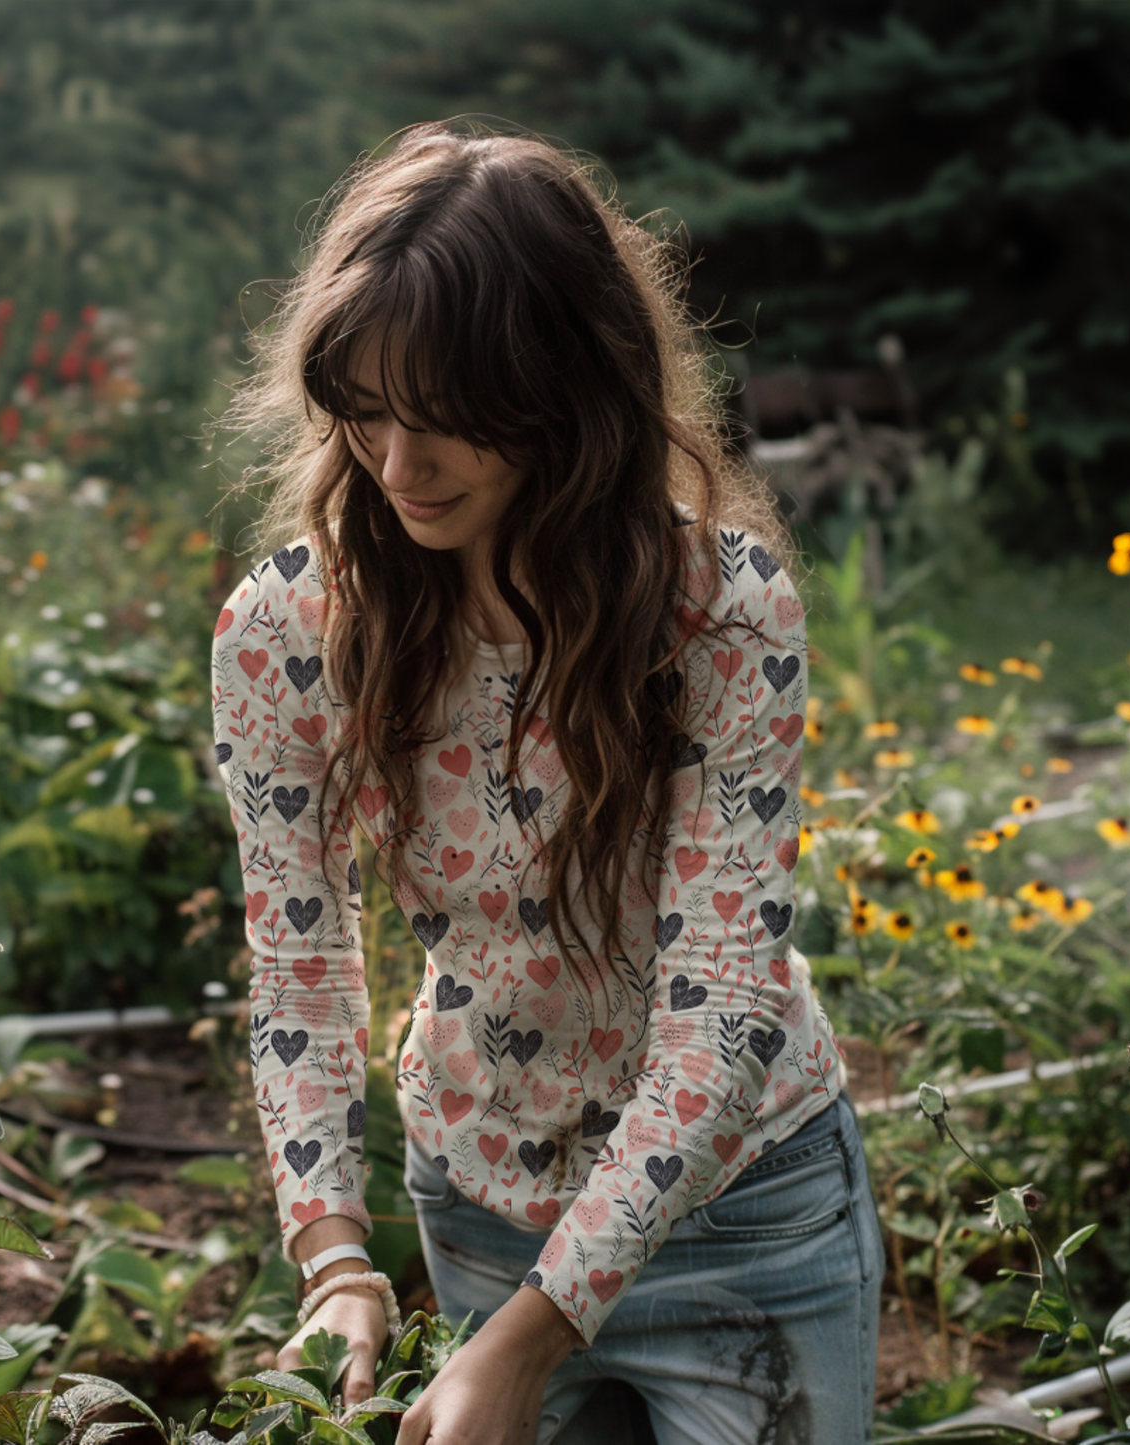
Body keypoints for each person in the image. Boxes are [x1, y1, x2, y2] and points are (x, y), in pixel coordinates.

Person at [211, 121, 884, 1445]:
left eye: (448, 418)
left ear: (565, 392)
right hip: (480, 1205)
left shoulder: (722, 613)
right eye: (366, 407)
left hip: (746, 1211)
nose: (396, 467)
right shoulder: (285, 633)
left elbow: (725, 998)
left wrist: (534, 1336)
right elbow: (299, 968)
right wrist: (338, 1259)